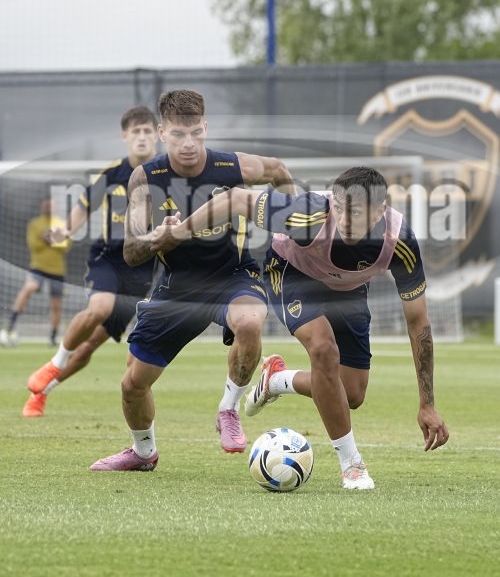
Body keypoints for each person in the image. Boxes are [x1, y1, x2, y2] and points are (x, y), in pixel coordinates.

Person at [161, 165, 450, 490]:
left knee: (352, 394)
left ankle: (277, 380)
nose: (344, 219)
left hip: (348, 289)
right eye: (339, 208)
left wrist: (427, 404)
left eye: (356, 212)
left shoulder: (400, 242)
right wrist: (178, 232)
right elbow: (236, 200)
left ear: (380, 211)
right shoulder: (308, 213)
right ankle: (352, 465)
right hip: (292, 271)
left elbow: (418, 323)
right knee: (323, 349)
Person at [89, 88, 296, 471]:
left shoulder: (231, 166)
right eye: (178, 134)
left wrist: (291, 234)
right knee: (133, 385)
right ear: (162, 132)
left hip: (233, 276)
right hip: (178, 288)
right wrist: (157, 237)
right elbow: (131, 251)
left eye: (196, 133)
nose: (188, 143)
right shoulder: (146, 178)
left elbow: (279, 171)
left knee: (250, 322)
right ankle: (143, 453)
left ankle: (228, 409)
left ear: (205, 128)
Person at [22, 105, 159, 418]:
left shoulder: (167, 173)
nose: (141, 137)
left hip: (143, 271)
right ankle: (55, 362)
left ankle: (41, 393)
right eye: (135, 131)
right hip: (108, 258)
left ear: (157, 136)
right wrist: (65, 231)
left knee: (89, 347)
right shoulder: (110, 174)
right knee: (99, 308)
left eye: (147, 131)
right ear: (125, 136)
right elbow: (84, 207)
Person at [0, 197, 71, 347]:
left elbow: (65, 245)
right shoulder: (34, 224)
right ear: (42, 206)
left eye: (51, 205)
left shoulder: (60, 223)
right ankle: (11, 325)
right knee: (29, 287)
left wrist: (46, 238)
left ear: (55, 206)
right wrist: (52, 238)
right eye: (46, 205)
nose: (49, 207)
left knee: (56, 304)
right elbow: (34, 245)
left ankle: (53, 337)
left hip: (57, 269)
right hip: (38, 267)